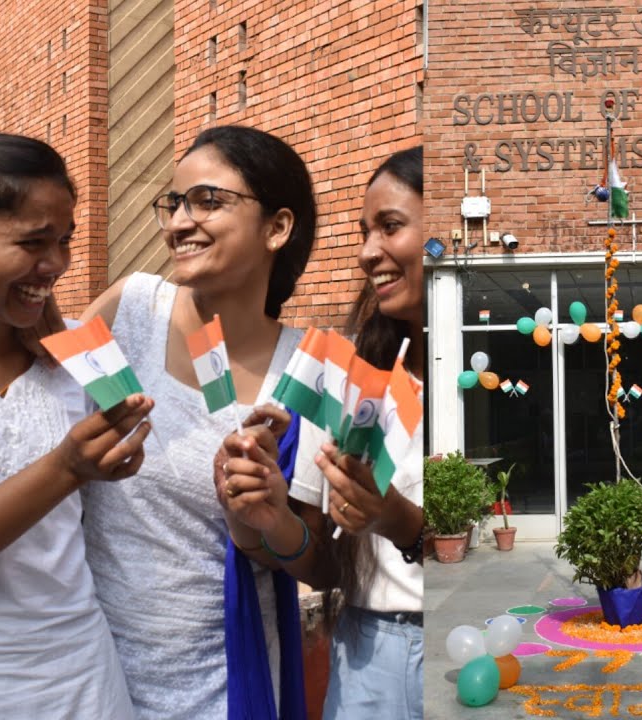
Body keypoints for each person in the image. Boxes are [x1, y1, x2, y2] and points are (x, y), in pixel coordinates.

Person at [78, 125, 317, 719]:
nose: (180, 222)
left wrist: (267, 515)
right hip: (87, 674)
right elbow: (36, 415)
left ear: (277, 228)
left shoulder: (305, 372)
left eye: (209, 201)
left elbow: (320, 562)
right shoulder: (132, 307)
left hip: (222, 684)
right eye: (175, 203)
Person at [219, 145, 424, 717]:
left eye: (390, 226)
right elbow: (323, 564)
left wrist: (400, 520)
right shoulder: (348, 380)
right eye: (364, 231)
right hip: (369, 655)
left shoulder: (495, 375)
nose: (367, 253)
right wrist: (268, 515)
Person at [0, 133, 153, 718]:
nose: (57, 263)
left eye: (63, 242)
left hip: (84, 677)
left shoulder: (68, 365)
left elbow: (130, 431)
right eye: (33, 243)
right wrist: (66, 468)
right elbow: (74, 465)